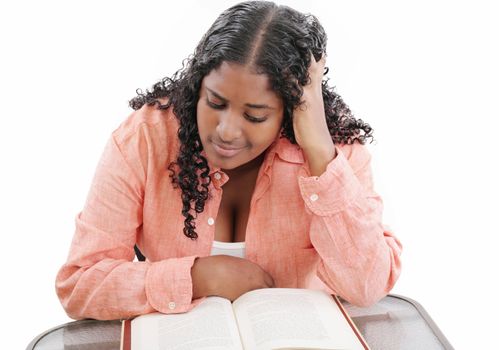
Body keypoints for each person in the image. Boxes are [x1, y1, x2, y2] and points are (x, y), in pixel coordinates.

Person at [56, 0, 402, 321]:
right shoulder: (146, 138)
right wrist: (197, 276)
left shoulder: (336, 151)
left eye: (255, 116)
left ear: (290, 111)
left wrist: (319, 154)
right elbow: (80, 285)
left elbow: (366, 287)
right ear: (197, 86)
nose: (226, 132)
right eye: (215, 103)